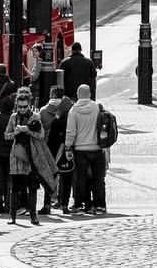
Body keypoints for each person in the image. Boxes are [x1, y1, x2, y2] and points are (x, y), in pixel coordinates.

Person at [64, 83, 107, 214]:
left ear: (78, 95)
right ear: (89, 94)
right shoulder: (97, 107)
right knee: (98, 178)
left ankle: (79, 204)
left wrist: (67, 146)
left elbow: (71, 131)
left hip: (80, 150)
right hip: (96, 148)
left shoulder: (74, 110)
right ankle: (99, 205)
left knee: (80, 178)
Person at [5, 86, 45, 224]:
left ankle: (33, 216)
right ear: (17, 105)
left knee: (32, 187)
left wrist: (27, 130)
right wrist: (14, 133)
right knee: (15, 189)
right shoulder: (13, 117)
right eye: (20, 107)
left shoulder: (35, 117)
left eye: (25, 107)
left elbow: (41, 135)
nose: (22, 109)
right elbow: (6, 136)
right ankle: (12, 216)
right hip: (16, 157)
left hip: (31, 157)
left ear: (29, 105)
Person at [41, 86, 75, 213]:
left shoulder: (44, 111)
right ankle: (64, 204)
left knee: (49, 176)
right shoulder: (71, 112)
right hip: (67, 147)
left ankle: (47, 204)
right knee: (66, 176)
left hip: (50, 148)